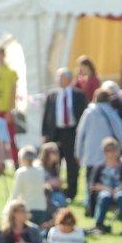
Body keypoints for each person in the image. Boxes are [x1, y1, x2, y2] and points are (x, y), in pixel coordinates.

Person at [42, 69, 87, 201]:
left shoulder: (79, 95)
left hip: (72, 132)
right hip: (55, 133)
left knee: (72, 164)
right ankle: (55, 190)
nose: (58, 80)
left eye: (60, 77)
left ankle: (71, 193)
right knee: (53, 163)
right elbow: (46, 116)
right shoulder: (52, 96)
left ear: (68, 79)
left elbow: (83, 115)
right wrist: (45, 134)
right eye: (57, 77)